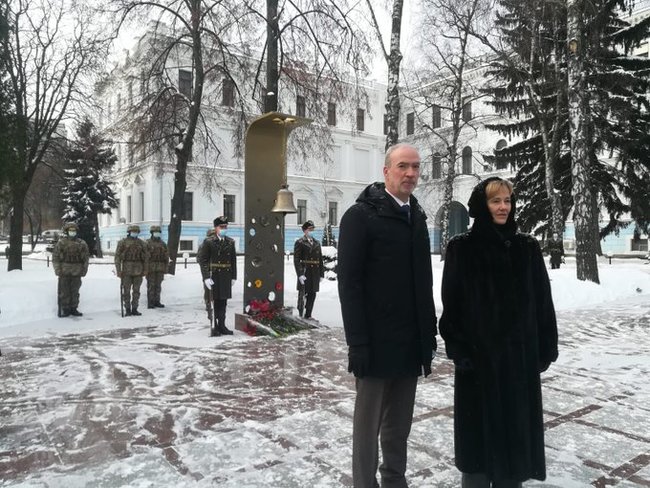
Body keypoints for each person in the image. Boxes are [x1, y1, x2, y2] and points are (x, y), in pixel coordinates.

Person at [439, 177, 559, 488]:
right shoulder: (462, 248)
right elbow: (452, 307)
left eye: (507, 200)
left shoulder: (527, 248)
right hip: (477, 367)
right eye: (496, 201)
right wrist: (461, 351)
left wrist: (545, 348)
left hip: (518, 366)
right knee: (478, 455)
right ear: (483, 206)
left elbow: (543, 302)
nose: (503, 207)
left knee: (513, 454)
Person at [337, 143, 437, 488]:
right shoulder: (360, 217)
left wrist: (428, 335)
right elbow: (349, 285)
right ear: (386, 171)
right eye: (403, 166)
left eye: (415, 167)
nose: (410, 173)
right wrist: (357, 343)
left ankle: (395, 481)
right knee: (368, 428)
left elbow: (423, 282)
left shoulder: (417, 216)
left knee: (399, 427)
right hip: (375, 344)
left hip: (409, 343)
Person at [197, 216, 237, 336]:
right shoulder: (209, 242)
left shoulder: (230, 242)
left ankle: (222, 325)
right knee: (213, 302)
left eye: (225, 227)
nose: (224, 229)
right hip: (213, 275)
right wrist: (206, 277)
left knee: (223, 302)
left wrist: (233, 276)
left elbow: (233, 261)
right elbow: (203, 260)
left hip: (225, 275)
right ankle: (214, 326)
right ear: (216, 228)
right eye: (221, 227)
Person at [52, 222, 89, 317]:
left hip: (77, 271)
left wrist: (84, 270)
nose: (72, 232)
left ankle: (74, 308)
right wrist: (57, 270)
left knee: (75, 291)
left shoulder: (82, 243)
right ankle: (65, 309)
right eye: (70, 230)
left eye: (74, 230)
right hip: (64, 271)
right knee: (64, 291)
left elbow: (85, 258)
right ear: (67, 231)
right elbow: (55, 258)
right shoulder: (61, 243)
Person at [115, 224, 149, 316]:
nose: (134, 233)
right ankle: (127, 309)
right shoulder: (122, 242)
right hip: (126, 270)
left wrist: (145, 270)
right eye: (133, 231)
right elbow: (117, 257)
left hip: (138, 270)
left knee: (136, 291)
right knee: (126, 291)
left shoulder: (142, 243)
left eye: (136, 231)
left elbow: (146, 258)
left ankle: (134, 308)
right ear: (129, 232)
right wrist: (118, 270)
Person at [294, 220, 324, 319]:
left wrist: (321, 273)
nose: (312, 231)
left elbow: (320, 259)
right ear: (305, 230)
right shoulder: (300, 242)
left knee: (312, 294)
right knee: (303, 293)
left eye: (313, 229)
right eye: (310, 229)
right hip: (305, 271)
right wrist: (300, 274)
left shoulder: (317, 243)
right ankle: (300, 314)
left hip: (314, 272)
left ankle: (308, 314)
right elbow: (296, 259)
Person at [145, 225, 169, 308]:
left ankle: (157, 301)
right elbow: (144, 257)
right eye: (155, 232)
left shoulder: (162, 243)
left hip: (160, 267)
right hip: (151, 267)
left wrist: (166, 267)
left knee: (158, 286)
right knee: (151, 286)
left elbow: (166, 256)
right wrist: (145, 268)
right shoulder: (147, 243)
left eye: (158, 232)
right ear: (152, 233)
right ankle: (150, 302)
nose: (157, 233)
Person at [198, 228, 216, 318]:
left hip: (217, 270)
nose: (213, 237)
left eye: (214, 235)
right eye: (211, 235)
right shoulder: (203, 245)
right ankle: (208, 304)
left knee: (216, 288)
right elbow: (199, 259)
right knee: (208, 288)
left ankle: (216, 304)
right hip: (207, 270)